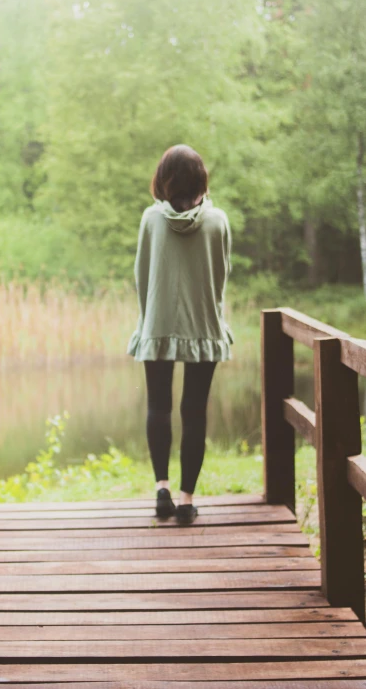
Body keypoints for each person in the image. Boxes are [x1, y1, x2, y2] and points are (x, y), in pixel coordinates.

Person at [127, 144, 233, 525]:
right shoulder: (218, 220)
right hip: (204, 326)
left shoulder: (151, 220)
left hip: (158, 324)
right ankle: (187, 501)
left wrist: (150, 318)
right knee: (195, 412)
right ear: (201, 178)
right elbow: (221, 276)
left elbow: (142, 276)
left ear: (163, 179)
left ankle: (162, 491)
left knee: (158, 407)